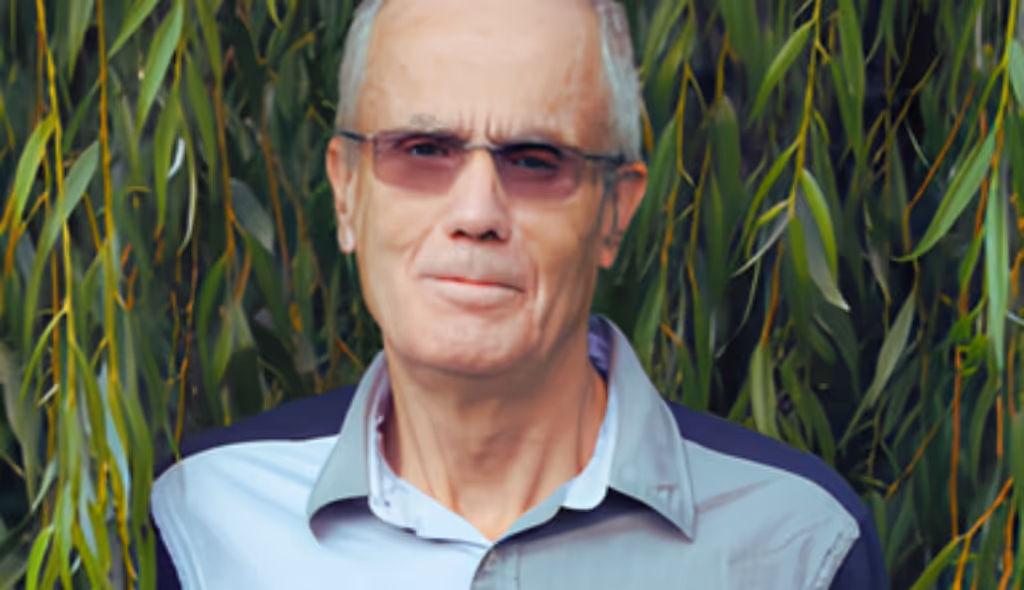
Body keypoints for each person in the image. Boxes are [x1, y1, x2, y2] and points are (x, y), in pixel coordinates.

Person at [150, 0, 889, 588]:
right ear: (346, 193)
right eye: (423, 150)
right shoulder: (207, 516)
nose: (476, 214)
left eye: (536, 160)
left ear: (612, 211)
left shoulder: (796, 546)